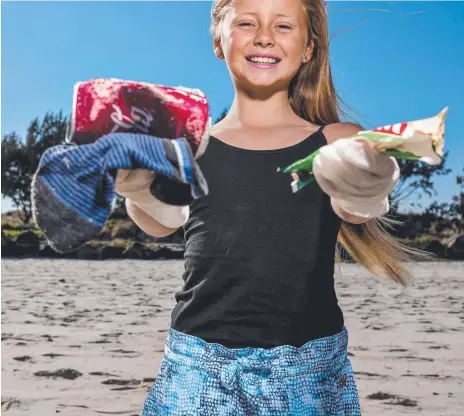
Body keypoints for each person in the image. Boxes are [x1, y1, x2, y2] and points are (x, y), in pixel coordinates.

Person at [115, 0, 419, 414]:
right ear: (219, 40)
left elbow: (358, 208)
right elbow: (158, 223)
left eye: (282, 25)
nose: (264, 36)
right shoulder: (189, 146)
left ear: (310, 48)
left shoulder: (337, 139)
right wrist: (136, 186)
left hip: (307, 375)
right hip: (196, 368)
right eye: (246, 22)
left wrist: (366, 184)